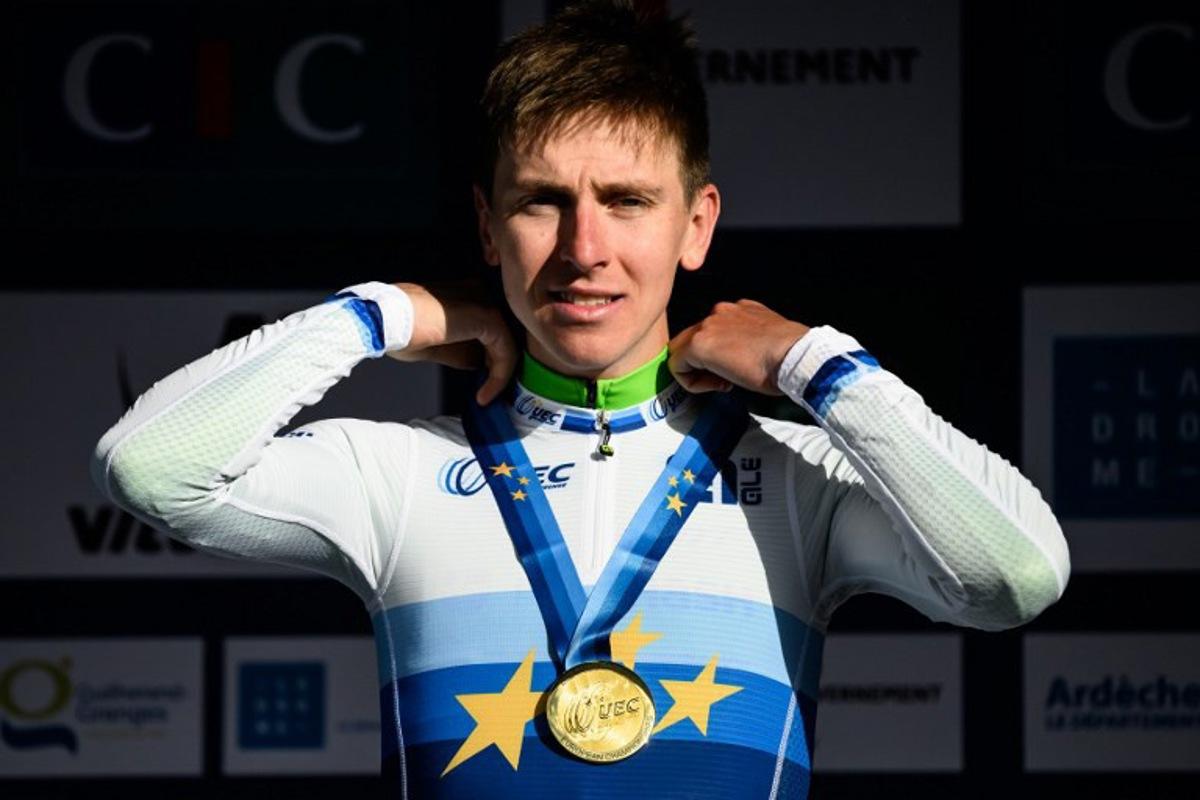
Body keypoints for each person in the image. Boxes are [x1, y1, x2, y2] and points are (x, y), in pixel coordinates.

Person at [91, 1, 1070, 797]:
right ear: (487, 222)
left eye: (628, 201)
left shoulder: (799, 477)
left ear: (697, 224)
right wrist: (390, 311)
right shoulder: (397, 472)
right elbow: (151, 467)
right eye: (541, 200)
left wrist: (815, 363)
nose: (584, 249)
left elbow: (1016, 574)